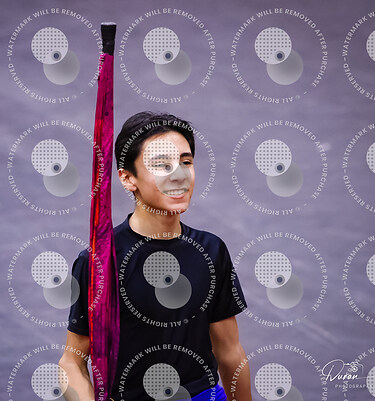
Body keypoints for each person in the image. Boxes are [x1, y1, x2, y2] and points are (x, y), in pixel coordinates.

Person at [59, 111, 252, 401]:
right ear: (127, 178)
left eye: (186, 162)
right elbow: (72, 363)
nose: (179, 175)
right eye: (162, 165)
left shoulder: (211, 251)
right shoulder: (100, 261)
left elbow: (230, 352)